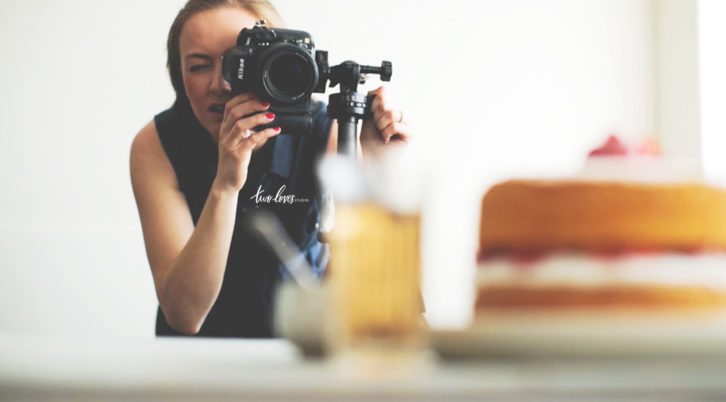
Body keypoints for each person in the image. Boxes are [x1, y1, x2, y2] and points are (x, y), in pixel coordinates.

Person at [130, 0, 413, 337]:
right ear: (177, 73)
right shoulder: (158, 144)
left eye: (239, 62)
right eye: (199, 66)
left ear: (279, 58)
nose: (220, 84)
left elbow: (355, 293)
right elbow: (184, 314)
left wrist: (372, 161)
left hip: (298, 346)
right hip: (195, 360)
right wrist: (225, 184)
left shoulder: (326, 131)